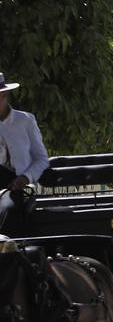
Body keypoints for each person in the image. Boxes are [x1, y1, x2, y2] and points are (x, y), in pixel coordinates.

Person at [0, 72, 50, 235]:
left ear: (4, 95)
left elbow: (41, 159)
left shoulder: (25, 120)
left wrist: (26, 177)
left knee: (7, 209)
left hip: (17, 187)